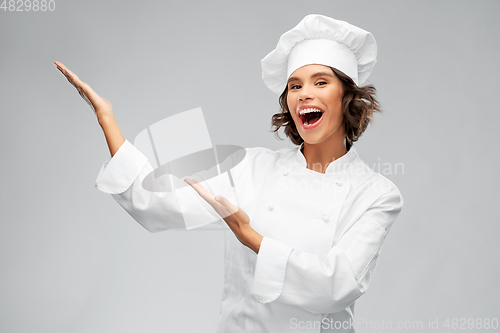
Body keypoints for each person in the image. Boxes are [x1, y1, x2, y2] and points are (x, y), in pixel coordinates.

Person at [55, 14, 404, 333]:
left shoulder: (375, 193)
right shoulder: (253, 167)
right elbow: (155, 203)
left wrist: (249, 236)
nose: (304, 94)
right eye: (295, 86)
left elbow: (334, 287)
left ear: (347, 94)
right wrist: (107, 120)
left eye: (320, 81)